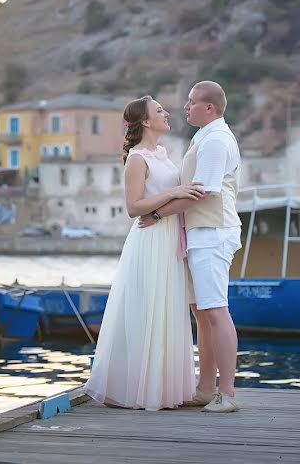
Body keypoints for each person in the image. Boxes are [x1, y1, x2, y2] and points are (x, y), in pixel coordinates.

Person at [84, 95, 204, 411]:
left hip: (168, 239)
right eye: (159, 111)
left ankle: (163, 389)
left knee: (166, 309)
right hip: (149, 239)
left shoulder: (163, 155)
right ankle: (133, 389)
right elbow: (133, 207)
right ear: (146, 122)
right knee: (147, 307)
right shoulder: (137, 159)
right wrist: (175, 191)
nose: (167, 114)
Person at [139, 80, 243, 413]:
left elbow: (204, 192)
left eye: (191, 102)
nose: (185, 107)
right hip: (200, 232)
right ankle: (204, 387)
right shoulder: (204, 137)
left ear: (209, 107)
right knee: (202, 312)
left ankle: (226, 393)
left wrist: (157, 213)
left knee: (215, 310)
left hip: (213, 231)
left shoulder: (215, 141)